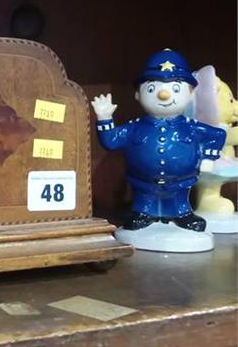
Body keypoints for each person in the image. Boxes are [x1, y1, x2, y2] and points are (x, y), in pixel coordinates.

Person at [91, 49, 226, 233]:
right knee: (143, 203)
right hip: (142, 184)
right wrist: (104, 118)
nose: (164, 95)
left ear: (191, 93)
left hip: (181, 183)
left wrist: (209, 157)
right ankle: (143, 213)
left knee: (179, 202)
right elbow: (110, 141)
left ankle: (182, 214)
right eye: (152, 88)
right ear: (138, 94)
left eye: (175, 88)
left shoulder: (192, 127)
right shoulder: (135, 127)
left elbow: (218, 135)